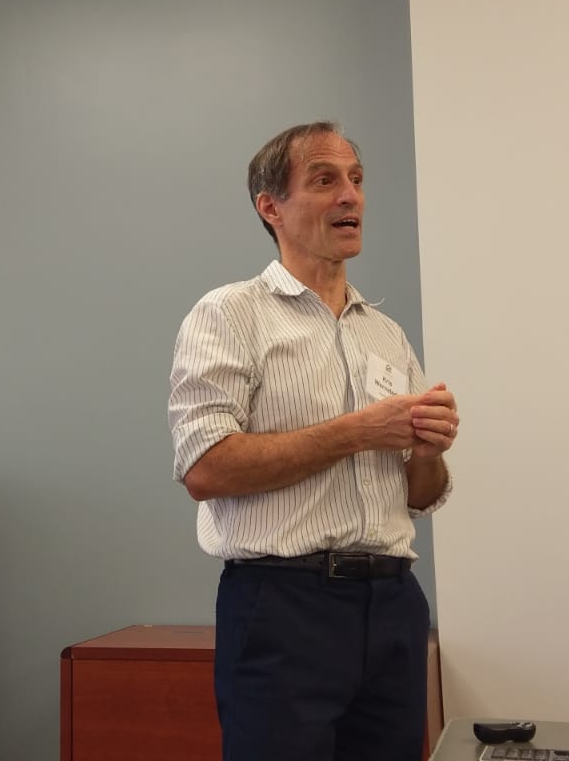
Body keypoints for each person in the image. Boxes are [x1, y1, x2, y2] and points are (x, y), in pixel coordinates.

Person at [167, 121, 459, 761]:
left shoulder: (386, 333)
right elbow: (205, 469)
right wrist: (357, 431)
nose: (350, 196)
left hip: (394, 604)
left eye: (356, 179)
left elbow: (420, 496)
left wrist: (428, 451)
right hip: (283, 607)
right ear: (270, 207)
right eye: (325, 180)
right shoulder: (229, 314)